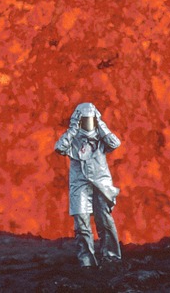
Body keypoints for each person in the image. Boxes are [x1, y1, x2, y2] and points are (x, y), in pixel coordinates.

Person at [54, 102, 122, 267]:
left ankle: (111, 257)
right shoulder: (73, 138)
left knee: (104, 219)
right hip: (80, 183)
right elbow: (59, 148)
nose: (88, 123)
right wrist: (72, 130)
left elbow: (115, 143)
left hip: (100, 181)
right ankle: (87, 261)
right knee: (81, 221)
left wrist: (101, 125)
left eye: (90, 119)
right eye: (84, 119)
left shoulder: (101, 136)